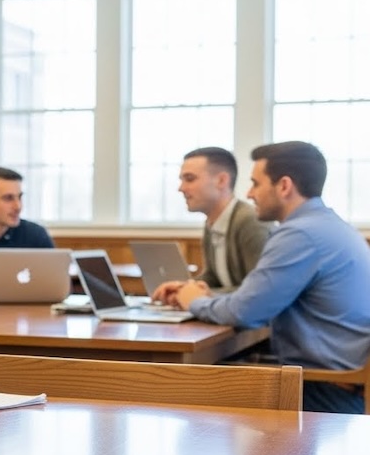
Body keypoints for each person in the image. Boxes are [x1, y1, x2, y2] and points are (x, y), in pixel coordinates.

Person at [153, 141, 370, 414]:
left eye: (256, 183)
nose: (249, 193)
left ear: (284, 186)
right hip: (342, 383)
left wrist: (193, 301)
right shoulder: (329, 226)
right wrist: (206, 296)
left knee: (173, 390)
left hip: (323, 390)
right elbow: (255, 298)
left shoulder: (299, 235)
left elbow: (244, 312)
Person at [177, 146, 271, 292]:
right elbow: (213, 277)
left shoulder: (250, 221)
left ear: (221, 180)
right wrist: (182, 288)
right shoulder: (212, 223)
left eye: (190, 179)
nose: (181, 188)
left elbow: (260, 291)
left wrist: (202, 294)